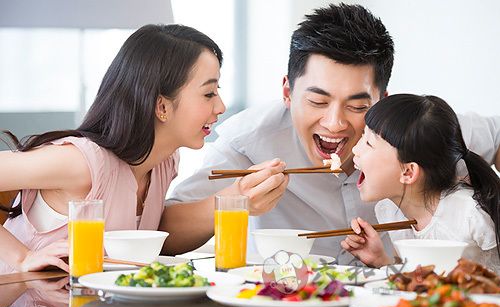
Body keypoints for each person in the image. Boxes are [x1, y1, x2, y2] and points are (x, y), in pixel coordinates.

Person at [162, 3, 500, 263]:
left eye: (357, 106)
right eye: (317, 100)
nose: (335, 123)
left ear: (383, 99)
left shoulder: (419, 131)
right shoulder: (248, 141)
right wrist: (235, 201)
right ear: (287, 92)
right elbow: (167, 233)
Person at [0, 24, 225, 273]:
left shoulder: (164, 163)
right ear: (161, 106)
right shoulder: (81, 163)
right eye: (209, 94)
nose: (221, 106)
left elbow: (158, 240)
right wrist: (22, 258)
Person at [340, 94, 500, 273]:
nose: (355, 150)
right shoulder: (388, 211)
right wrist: (381, 261)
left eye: (369, 143)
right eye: (363, 136)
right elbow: (416, 280)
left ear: (408, 172)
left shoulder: (471, 215)